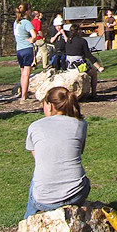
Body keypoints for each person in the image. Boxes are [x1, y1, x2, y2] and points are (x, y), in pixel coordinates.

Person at [23, 85, 91, 219]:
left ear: (49, 106)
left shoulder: (35, 126)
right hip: (76, 194)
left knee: (38, 174)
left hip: (44, 200)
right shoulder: (80, 124)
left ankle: (28, 218)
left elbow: (39, 159)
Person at [64, 23, 104, 97]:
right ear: (78, 31)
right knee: (94, 73)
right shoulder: (82, 41)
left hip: (69, 66)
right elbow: (88, 55)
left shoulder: (68, 41)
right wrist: (99, 67)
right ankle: (93, 93)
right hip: (78, 65)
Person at [14, 4, 38, 102]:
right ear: (27, 12)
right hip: (27, 49)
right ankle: (24, 97)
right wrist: (32, 39)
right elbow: (34, 35)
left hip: (19, 49)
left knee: (22, 72)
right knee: (26, 74)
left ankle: (22, 93)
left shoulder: (16, 23)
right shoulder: (26, 22)